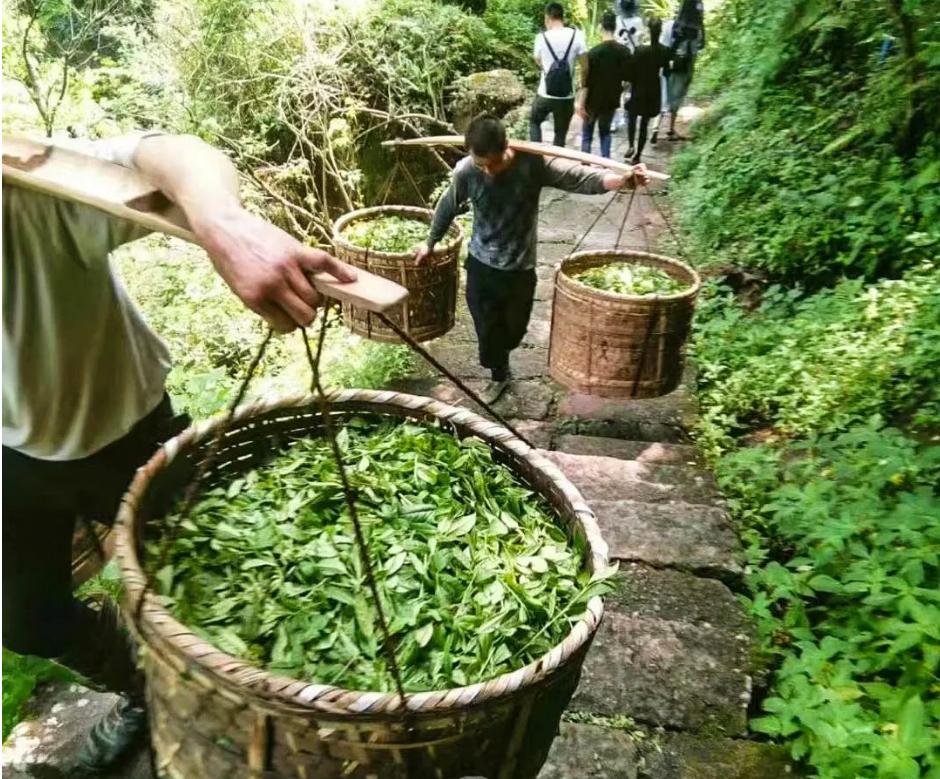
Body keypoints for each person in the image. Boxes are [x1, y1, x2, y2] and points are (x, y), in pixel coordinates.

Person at [2, 131, 357, 774]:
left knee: (220, 587)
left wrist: (223, 225)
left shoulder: (24, 197)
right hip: (13, 460)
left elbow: (164, 155)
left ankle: (279, 710)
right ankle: (145, 691)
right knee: (25, 618)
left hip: (125, 438)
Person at [415, 114, 648, 404]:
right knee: (487, 331)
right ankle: (499, 374)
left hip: (519, 267)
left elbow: (579, 177)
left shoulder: (532, 164)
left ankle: (503, 355)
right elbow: (447, 206)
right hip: (481, 264)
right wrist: (430, 243)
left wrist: (623, 180)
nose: (487, 171)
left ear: (506, 149)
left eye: (492, 164)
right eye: (480, 164)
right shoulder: (466, 171)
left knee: (515, 331)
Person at [530, 2, 587, 147]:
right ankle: (556, 158)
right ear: (562, 17)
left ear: (547, 17)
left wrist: (549, 68)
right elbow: (585, 66)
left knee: (534, 122)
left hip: (545, 94)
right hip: (566, 96)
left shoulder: (541, 37)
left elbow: (537, 60)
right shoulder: (577, 35)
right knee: (560, 133)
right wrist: (582, 87)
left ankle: (536, 155)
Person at [578, 10, 631, 158]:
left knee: (587, 135)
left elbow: (586, 82)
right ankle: (606, 165)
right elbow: (627, 79)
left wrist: (581, 103)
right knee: (605, 133)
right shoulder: (624, 52)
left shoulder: (593, 53)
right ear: (615, 27)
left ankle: (585, 165)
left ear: (600, 27)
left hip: (592, 100)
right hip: (611, 99)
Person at [652, 0, 705, 143]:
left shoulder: (671, 25)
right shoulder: (697, 31)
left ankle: (655, 128)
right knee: (676, 99)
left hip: (667, 67)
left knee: (663, 97)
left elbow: (663, 46)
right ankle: (670, 129)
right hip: (683, 69)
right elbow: (698, 49)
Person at [625, 16, 670, 164]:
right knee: (644, 124)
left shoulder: (640, 50)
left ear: (648, 30)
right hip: (653, 89)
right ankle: (638, 155)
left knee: (632, 117)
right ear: (660, 31)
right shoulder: (664, 51)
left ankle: (631, 145)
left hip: (639, 87)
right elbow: (667, 72)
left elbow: (631, 71)